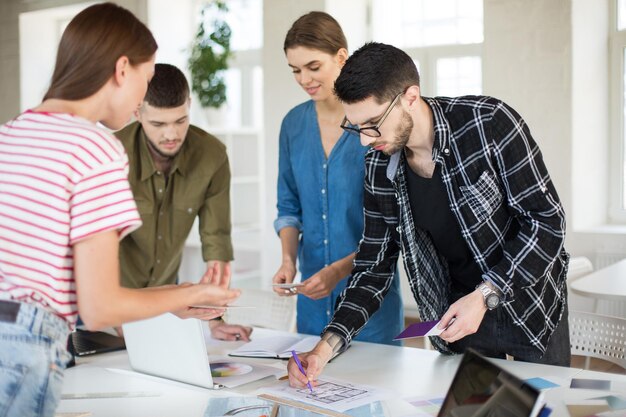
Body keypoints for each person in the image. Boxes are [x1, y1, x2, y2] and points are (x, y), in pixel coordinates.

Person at [0, 4, 239, 416]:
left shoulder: (13, 133)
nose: (141, 102)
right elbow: (99, 307)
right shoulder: (97, 149)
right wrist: (191, 293)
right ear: (122, 69)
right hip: (30, 343)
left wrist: (175, 299)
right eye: (146, 81)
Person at [287, 42, 570, 389]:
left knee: (547, 406)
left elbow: (547, 223)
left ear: (410, 96)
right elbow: (373, 267)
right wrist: (325, 347)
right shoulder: (379, 165)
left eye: (373, 123)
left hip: (532, 305)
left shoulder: (489, 123)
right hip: (457, 319)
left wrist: (485, 295)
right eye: (356, 127)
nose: (363, 141)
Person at [273, 12, 403, 344]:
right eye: (295, 70)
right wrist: (288, 260)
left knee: (376, 390)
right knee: (310, 389)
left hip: (371, 301)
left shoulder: (375, 124)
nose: (304, 79)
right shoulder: (292, 125)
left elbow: (393, 226)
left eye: (313, 67)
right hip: (312, 303)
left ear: (342, 57)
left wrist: (337, 273)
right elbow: (288, 207)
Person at [115, 63, 251, 342]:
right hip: (109, 308)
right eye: (158, 124)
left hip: (166, 306)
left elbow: (216, 242)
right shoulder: (112, 156)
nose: (171, 134)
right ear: (137, 111)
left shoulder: (212, 156)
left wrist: (216, 319)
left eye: (180, 121)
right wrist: (117, 315)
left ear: (189, 105)